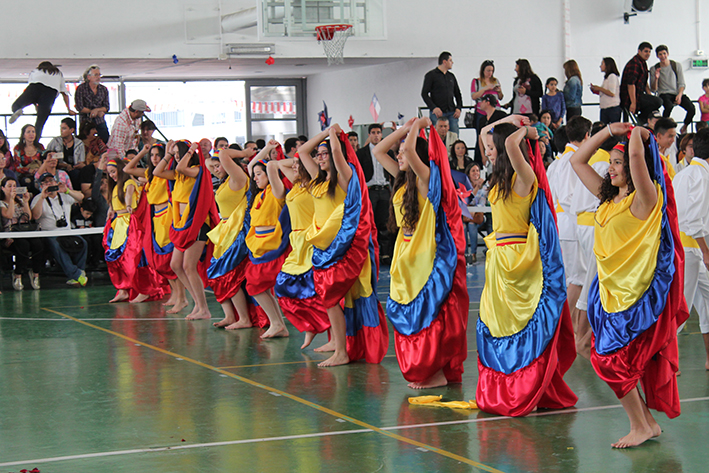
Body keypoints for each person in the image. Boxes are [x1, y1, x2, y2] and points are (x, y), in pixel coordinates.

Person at [570, 123, 688, 448]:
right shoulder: (608, 197)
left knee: (607, 361)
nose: (611, 167)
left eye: (618, 163)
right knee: (612, 361)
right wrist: (608, 130)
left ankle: (641, 424)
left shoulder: (645, 198)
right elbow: (577, 161)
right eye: (611, 162)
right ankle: (646, 423)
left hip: (631, 299)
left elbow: (637, 153)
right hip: (607, 296)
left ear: (636, 168)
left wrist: (637, 133)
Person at [476, 114, 577, 417]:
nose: (488, 151)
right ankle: (503, 388)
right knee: (497, 325)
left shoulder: (525, 178)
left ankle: (525, 387)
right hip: (498, 262)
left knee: (519, 326)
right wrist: (508, 118)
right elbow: (484, 133)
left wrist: (524, 131)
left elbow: (507, 141)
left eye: (493, 149)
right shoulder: (498, 179)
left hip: (518, 260)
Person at [373, 116, 468, 388]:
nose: (400, 155)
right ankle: (423, 368)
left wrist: (417, 127)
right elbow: (379, 151)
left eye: (403, 152)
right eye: (400, 152)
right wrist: (403, 131)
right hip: (404, 254)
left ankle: (435, 372)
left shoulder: (426, 180)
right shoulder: (402, 179)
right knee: (406, 313)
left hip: (423, 254)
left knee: (427, 314)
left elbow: (413, 152)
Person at [298, 125, 389, 367]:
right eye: (319, 154)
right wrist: (324, 134)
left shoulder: (344, 178)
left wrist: (333, 138)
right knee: (334, 299)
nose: (320, 157)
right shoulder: (318, 180)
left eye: (324, 153)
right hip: (322, 249)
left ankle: (341, 351)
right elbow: (303, 152)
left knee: (332, 297)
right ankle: (338, 343)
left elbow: (338, 156)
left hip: (342, 249)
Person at [269, 155, 331, 347]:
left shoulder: (314, 183)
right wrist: (297, 160)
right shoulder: (296, 185)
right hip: (296, 242)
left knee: (318, 290)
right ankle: (310, 325)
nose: (293, 167)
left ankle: (331, 333)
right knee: (282, 285)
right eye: (293, 165)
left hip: (310, 239)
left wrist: (305, 159)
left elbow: (286, 164)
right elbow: (275, 164)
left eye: (297, 165)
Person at [153, 140, 219, 320]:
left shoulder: (197, 170)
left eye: (177, 154)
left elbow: (182, 168)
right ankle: (197, 302)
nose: (175, 158)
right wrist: (167, 153)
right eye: (174, 155)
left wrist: (190, 151)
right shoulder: (178, 174)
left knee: (189, 266)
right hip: (182, 224)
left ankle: (203, 308)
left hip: (197, 224)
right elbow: (156, 172)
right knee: (175, 265)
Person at [207, 146, 270, 330]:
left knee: (228, 274)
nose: (215, 168)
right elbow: (207, 162)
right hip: (225, 232)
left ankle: (244, 318)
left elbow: (225, 156)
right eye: (215, 166)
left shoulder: (239, 179)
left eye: (219, 165)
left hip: (237, 232)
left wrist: (244, 154)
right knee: (215, 274)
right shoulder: (225, 181)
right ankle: (229, 315)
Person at [568, 123, 615, 359]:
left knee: (587, 279)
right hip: (592, 225)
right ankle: (582, 336)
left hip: (583, 224)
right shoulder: (603, 162)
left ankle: (581, 333)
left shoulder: (593, 159)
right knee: (590, 280)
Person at [124, 144, 187, 311]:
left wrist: (168, 154)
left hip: (167, 215)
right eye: (152, 155)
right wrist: (143, 152)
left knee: (170, 259)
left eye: (157, 155)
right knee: (162, 261)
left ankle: (182, 297)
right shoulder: (149, 174)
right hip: (156, 219)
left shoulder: (166, 174)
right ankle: (176, 293)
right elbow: (128, 168)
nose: (154, 158)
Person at [243, 141, 291, 338]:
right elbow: (250, 166)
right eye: (254, 176)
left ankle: (278, 323)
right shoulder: (259, 195)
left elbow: (270, 168)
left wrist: (271, 153)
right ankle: (277, 323)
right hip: (258, 249)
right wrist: (262, 152)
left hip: (274, 247)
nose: (255, 178)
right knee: (256, 287)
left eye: (258, 174)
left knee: (256, 286)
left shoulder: (276, 191)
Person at [547, 116, 592, 317]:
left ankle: (569, 322)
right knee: (578, 278)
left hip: (567, 223)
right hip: (571, 223)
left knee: (575, 277)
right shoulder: (569, 160)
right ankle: (567, 321)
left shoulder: (565, 159)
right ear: (586, 136)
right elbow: (567, 196)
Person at [672, 128, 709, 370]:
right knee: (679, 310)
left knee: (705, 303)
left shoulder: (683, 174)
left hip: (687, 248)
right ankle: (663, 363)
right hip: (692, 249)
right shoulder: (700, 176)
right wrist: (706, 252)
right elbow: (695, 220)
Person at [103, 158, 162, 303]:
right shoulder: (115, 186)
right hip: (117, 225)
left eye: (113, 171)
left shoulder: (129, 183)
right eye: (109, 172)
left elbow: (129, 195)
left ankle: (145, 290)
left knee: (135, 258)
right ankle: (123, 289)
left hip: (129, 224)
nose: (111, 175)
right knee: (115, 258)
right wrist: (110, 210)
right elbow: (113, 202)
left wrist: (128, 204)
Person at [31, 173, 87, 286]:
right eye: (45, 182)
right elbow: (36, 216)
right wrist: (42, 197)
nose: (49, 184)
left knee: (83, 243)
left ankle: (80, 272)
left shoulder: (64, 195)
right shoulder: (38, 198)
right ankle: (76, 275)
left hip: (67, 231)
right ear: (41, 186)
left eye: (51, 181)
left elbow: (81, 197)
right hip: (49, 233)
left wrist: (67, 190)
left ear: (56, 182)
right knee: (58, 247)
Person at [356, 123, 397, 263]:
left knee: (385, 223)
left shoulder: (388, 152)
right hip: (369, 191)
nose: (376, 135)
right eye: (373, 132)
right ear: (369, 135)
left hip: (384, 190)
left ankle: (385, 253)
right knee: (368, 223)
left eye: (378, 132)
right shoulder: (361, 153)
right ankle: (370, 253)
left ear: (381, 134)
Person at [9, 61, 76, 140]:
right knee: (40, 122)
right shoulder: (58, 73)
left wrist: (35, 104)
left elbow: (31, 91)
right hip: (50, 93)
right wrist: (69, 109)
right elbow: (64, 93)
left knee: (16, 105)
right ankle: (35, 142)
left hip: (34, 87)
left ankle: (17, 109)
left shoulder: (35, 71)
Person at [1, 177, 44, 290]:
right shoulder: (1, 203)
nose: (12, 188)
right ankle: (17, 274)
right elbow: (9, 215)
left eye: (14, 186)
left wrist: (25, 202)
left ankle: (35, 273)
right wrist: (11, 199)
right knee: (23, 246)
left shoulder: (19, 201)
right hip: (11, 233)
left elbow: (28, 217)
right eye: (9, 186)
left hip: (24, 230)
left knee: (38, 244)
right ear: (2, 188)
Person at [650, 45, 695, 135]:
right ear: (657, 56)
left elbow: (682, 83)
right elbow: (653, 89)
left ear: (668, 54)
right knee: (668, 106)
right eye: (660, 54)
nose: (663, 56)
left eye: (664, 54)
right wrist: (656, 78)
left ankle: (684, 127)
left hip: (676, 92)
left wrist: (679, 95)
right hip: (664, 93)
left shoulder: (676, 65)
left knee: (691, 108)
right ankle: (664, 127)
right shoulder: (654, 68)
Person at [421, 52, 463, 134]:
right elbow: (424, 94)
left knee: (453, 135)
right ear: (444, 62)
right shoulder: (431, 75)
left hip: (451, 112)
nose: (452, 62)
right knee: (437, 136)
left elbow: (458, 94)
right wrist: (433, 107)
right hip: (437, 113)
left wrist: (459, 108)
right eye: (450, 60)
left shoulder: (451, 76)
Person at [621, 42, 662, 123]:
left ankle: (644, 119)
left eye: (649, 52)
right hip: (631, 97)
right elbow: (631, 84)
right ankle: (643, 119)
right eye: (646, 51)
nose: (648, 54)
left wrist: (649, 95)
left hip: (639, 94)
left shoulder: (642, 63)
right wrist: (633, 102)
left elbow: (644, 81)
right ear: (639, 51)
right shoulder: (635, 63)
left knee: (655, 104)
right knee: (658, 102)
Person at [46, 118, 86, 188]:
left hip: (74, 169)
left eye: (64, 128)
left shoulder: (79, 143)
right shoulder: (55, 141)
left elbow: (81, 161)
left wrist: (74, 166)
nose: (61, 131)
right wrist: (64, 165)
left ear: (71, 130)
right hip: (58, 168)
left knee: (76, 173)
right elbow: (47, 155)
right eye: (61, 128)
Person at [74, 64, 110, 143]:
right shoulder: (81, 89)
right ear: (88, 77)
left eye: (99, 75)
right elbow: (79, 107)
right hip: (86, 121)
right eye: (96, 75)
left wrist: (97, 110)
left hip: (100, 120)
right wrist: (92, 112)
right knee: (85, 142)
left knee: (106, 140)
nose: (98, 77)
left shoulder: (103, 89)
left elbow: (106, 107)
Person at [471, 60, 504, 129]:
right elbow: (474, 96)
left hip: (495, 110)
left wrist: (499, 91)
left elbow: (500, 97)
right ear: (483, 71)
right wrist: (485, 89)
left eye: (492, 71)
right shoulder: (476, 81)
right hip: (482, 111)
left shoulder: (495, 81)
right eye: (488, 71)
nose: (490, 73)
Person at [590, 57, 622, 124]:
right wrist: (596, 90)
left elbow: (612, 93)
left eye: (602, 64)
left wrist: (599, 88)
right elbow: (605, 92)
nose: (600, 66)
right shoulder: (607, 78)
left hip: (612, 107)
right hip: (605, 107)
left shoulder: (612, 76)